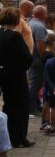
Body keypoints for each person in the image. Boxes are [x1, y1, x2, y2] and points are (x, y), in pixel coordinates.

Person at [0, 8, 34, 147]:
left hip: (2, 73)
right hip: (16, 75)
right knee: (21, 105)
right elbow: (26, 57)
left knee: (8, 104)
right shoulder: (15, 36)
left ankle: (7, 136)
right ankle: (19, 137)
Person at [28, 5, 48, 115]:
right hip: (37, 60)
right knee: (35, 84)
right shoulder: (39, 27)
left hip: (31, 58)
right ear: (42, 14)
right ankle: (31, 108)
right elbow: (40, 46)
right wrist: (43, 58)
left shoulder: (30, 23)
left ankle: (36, 105)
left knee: (34, 83)